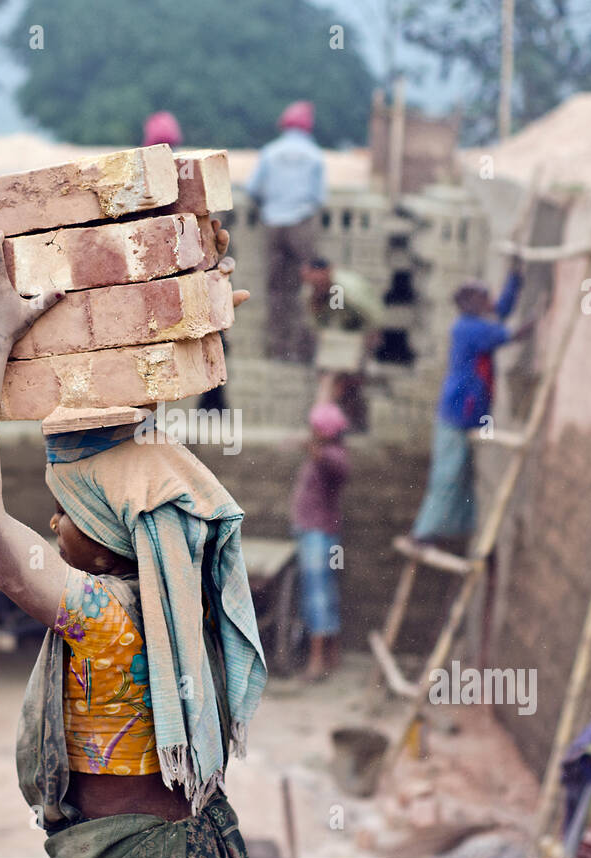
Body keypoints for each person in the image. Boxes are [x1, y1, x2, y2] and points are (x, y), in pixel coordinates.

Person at [0, 226, 266, 858]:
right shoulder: (184, 592)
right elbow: (128, 435)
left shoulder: (109, 618)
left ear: (115, 535)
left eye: (70, 510)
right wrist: (177, 307)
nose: (54, 524)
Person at [411, 263, 529, 543]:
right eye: (482, 298)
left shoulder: (475, 324)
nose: (488, 302)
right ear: (469, 303)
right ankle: (423, 533)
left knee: (461, 476)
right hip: (457, 413)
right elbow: (510, 334)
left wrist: (514, 280)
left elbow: (500, 311)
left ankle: (460, 528)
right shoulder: (468, 330)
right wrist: (537, 318)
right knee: (447, 476)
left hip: (468, 413)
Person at [246, 100, 326, 363]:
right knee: (312, 283)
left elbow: (253, 189)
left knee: (277, 289)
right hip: (302, 224)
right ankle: (305, 349)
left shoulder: (270, 152)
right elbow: (318, 196)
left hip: (274, 224)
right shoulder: (315, 155)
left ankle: (278, 349)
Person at [291, 402, 351, 682]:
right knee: (324, 591)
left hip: (319, 533)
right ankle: (331, 655)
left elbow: (336, 467)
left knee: (317, 595)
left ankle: (317, 661)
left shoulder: (333, 457)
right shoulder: (327, 453)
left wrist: (316, 451)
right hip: (313, 530)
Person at [303, 258, 387, 432]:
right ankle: (327, 422)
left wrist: (366, 343)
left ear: (328, 274)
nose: (315, 285)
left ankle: (337, 423)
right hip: (334, 337)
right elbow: (316, 324)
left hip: (359, 332)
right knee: (330, 378)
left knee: (347, 380)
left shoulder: (349, 290)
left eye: (319, 282)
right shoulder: (309, 291)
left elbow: (374, 318)